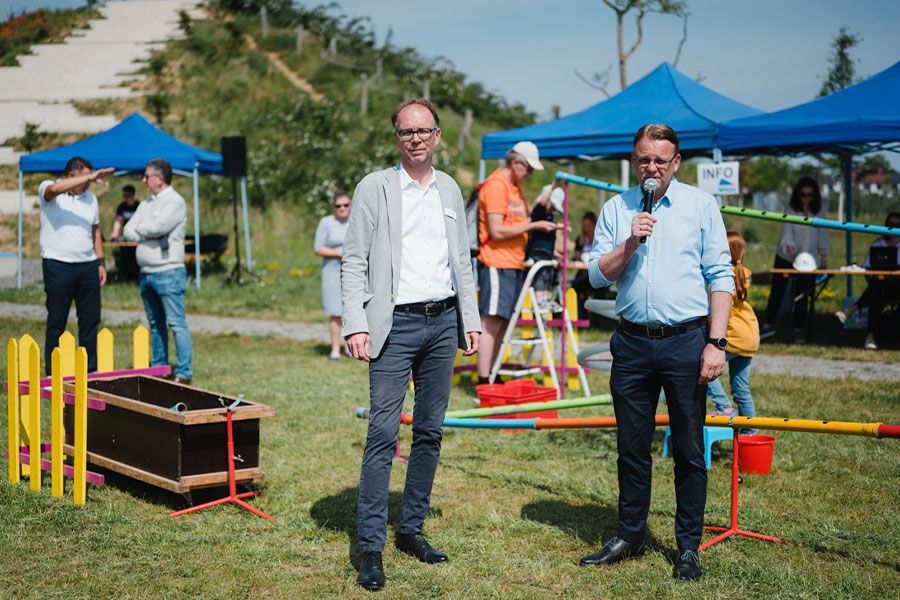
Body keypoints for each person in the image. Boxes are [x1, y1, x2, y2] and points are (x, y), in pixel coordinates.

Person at [581, 123, 733, 582]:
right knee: (631, 446)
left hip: (687, 340)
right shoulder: (617, 208)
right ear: (634, 160)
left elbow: (720, 275)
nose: (652, 167)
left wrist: (716, 342)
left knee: (689, 448)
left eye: (660, 160)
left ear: (676, 163)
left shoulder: (701, 206)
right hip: (630, 341)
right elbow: (595, 276)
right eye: (644, 159)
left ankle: (688, 547)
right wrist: (631, 241)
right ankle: (630, 533)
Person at [341, 98, 480, 592]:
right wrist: (355, 322)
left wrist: (472, 319)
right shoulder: (374, 187)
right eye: (406, 132)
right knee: (382, 433)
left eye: (423, 130)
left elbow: (462, 261)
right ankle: (371, 546)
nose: (416, 138)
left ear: (438, 135)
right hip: (393, 325)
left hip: (443, 322)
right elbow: (354, 259)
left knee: (430, 432)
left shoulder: (448, 188)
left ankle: (412, 530)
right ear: (396, 137)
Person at [476, 141, 558, 383]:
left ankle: (492, 374)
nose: (530, 174)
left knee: (502, 323)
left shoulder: (515, 187)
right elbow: (498, 230)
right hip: (495, 262)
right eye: (529, 169)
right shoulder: (496, 186)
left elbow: (520, 221)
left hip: (512, 264)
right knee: (491, 322)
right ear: (515, 163)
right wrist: (534, 225)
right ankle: (483, 380)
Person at [38, 157, 114, 373]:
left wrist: (100, 262)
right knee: (57, 320)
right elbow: (54, 189)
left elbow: (95, 230)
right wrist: (92, 175)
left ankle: (90, 372)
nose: (91, 182)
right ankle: (53, 372)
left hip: (88, 265)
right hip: (57, 265)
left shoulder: (91, 199)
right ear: (72, 175)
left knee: (90, 321)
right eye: (86, 177)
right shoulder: (49, 190)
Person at [123, 159, 193, 384]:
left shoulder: (175, 202)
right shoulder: (145, 204)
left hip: (168, 272)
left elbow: (158, 228)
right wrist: (146, 233)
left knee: (176, 323)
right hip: (146, 273)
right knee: (155, 324)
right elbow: (127, 230)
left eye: (146, 176)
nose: (143, 180)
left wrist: (142, 231)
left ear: (159, 179)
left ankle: (183, 373)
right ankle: (160, 368)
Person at [760, 177, 830, 342]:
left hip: (809, 260)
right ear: (797, 195)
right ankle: (768, 325)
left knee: (802, 295)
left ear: (815, 196)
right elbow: (786, 234)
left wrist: (824, 257)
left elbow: (823, 235)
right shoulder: (790, 209)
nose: (806, 198)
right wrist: (790, 248)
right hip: (786, 256)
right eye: (803, 194)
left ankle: (799, 329)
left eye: (810, 195)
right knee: (777, 291)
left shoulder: (819, 211)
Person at [706, 231, 759, 434]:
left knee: (703, 366)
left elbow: (712, 308)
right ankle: (750, 433)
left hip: (734, 336)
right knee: (741, 389)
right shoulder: (742, 273)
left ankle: (724, 406)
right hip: (750, 335)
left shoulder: (720, 276)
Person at [835, 212, 900, 350]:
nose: (894, 228)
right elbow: (867, 269)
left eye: (897, 225)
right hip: (882, 287)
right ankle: (870, 337)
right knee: (877, 292)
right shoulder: (878, 244)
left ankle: (851, 310)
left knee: (876, 291)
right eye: (890, 225)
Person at [314, 192, 351, 359]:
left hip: (353, 271)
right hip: (332, 271)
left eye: (345, 205)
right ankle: (335, 349)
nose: (342, 208)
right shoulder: (326, 223)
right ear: (334, 207)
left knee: (351, 310)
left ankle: (350, 347)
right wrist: (339, 253)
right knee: (335, 311)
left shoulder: (357, 221)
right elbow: (318, 248)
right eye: (338, 206)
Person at [525, 186, 563, 308]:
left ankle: (545, 297)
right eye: (552, 205)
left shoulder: (551, 216)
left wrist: (555, 251)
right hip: (537, 251)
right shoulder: (538, 213)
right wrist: (554, 185)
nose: (553, 209)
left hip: (548, 252)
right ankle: (540, 299)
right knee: (541, 274)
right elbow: (541, 205)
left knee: (549, 274)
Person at [110, 184, 141, 281]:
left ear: (133, 195)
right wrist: (115, 232)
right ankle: (125, 276)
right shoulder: (122, 207)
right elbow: (118, 221)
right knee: (124, 256)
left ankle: (136, 276)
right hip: (126, 237)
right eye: (124, 195)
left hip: (137, 237)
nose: (125, 198)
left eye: (127, 196)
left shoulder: (139, 206)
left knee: (136, 258)